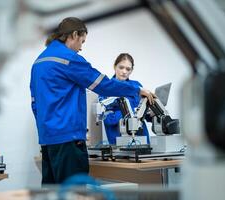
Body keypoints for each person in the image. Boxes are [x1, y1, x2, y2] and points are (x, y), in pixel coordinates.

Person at [30, 17, 155, 184]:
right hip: (69, 140)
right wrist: (136, 90)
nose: (81, 47)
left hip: (47, 141)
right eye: (82, 41)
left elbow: (35, 104)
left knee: (52, 193)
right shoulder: (68, 58)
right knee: (74, 193)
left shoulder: (38, 62)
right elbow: (102, 85)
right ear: (74, 35)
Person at [99, 53, 151, 145]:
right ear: (115, 66)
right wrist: (131, 112)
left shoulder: (137, 86)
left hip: (142, 139)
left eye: (128, 69)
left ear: (131, 70)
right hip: (119, 141)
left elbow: (145, 117)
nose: (124, 71)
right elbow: (108, 120)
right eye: (121, 67)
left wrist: (152, 112)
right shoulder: (106, 88)